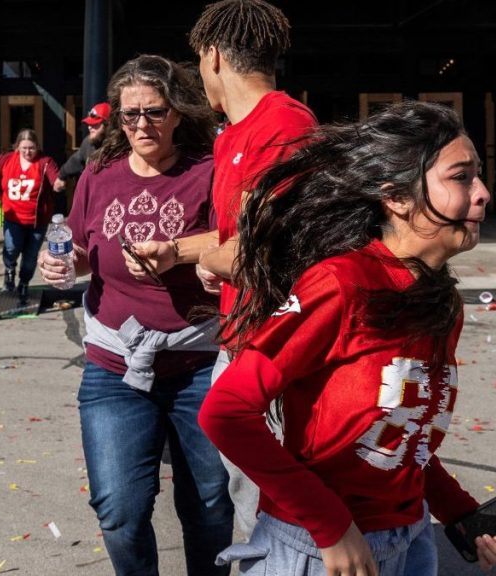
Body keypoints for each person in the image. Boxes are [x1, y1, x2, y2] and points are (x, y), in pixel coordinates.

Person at [199, 101, 496, 575]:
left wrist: (461, 513)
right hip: (316, 552)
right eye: (461, 177)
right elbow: (225, 412)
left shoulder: (442, 302)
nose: (483, 194)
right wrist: (331, 525)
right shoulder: (339, 284)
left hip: (412, 543)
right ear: (397, 198)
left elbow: (403, 439)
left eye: (478, 176)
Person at [36, 55, 233, 576]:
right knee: (119, 511)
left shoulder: (207, 171)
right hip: (114, 366)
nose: (141, 124)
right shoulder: (99, 175)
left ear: (177, 113)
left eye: (155, 111)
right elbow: (80, 247)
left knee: (210, 507)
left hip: (198, 365)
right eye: (130, 115)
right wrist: (60, 261)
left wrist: (178, 250)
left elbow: (234, 240)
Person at [127, 0, 317, 537]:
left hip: (276, 346)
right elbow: (236, 235)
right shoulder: (232, 133)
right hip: (238, 338)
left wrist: (215, 260)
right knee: (248, 503)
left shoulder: (285, 126)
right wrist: (177, 251)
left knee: (275, 515)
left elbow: (270, 248)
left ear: (212, 56)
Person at [0, 129, 61, 305]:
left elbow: (55, 178)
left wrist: (58, 183)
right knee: (11, 248)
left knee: (30, 256)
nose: (28, 152)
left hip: (37, 220)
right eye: (24, 148)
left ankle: (24, 283)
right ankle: (9, 270)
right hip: (13, 218)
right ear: (17, 147)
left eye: (32, 148)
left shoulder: (44, 162)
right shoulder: (6, 160)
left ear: (38, 147)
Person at [53, 102, 110, 194]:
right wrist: (61, 176)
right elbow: (77, 159)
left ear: (108, 125)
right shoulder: (88, 142)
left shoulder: (120, 147)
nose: (90, 127)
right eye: (89, 124)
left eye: (95, 124)